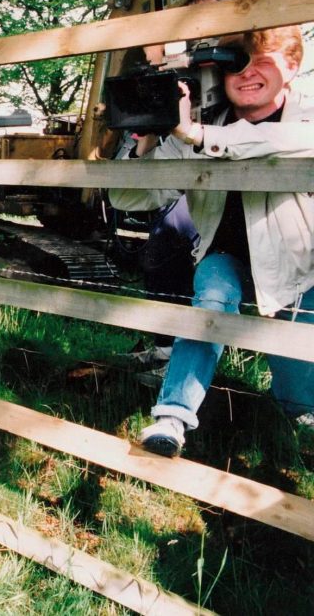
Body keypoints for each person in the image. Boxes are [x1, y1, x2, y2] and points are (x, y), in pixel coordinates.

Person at [109, 25, 314, 457]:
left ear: (292, 66)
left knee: (299, 401)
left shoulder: (306, 115)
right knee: (211, 295)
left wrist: (198, 137)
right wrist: (147, 138)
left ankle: (299, 431)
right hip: (228, 258)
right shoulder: (202, 125)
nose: (247, 74)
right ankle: (171, 419)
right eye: (236, 65)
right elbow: (129, 195)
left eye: (262, 61)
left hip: (299, 270)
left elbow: (269, 143)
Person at [116, 0, 233, 372]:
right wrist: (146, 135)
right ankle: (170, 346)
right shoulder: (187, 111)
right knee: (167, 236)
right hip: (201, 184)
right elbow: (128, 197)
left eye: (213, 27)